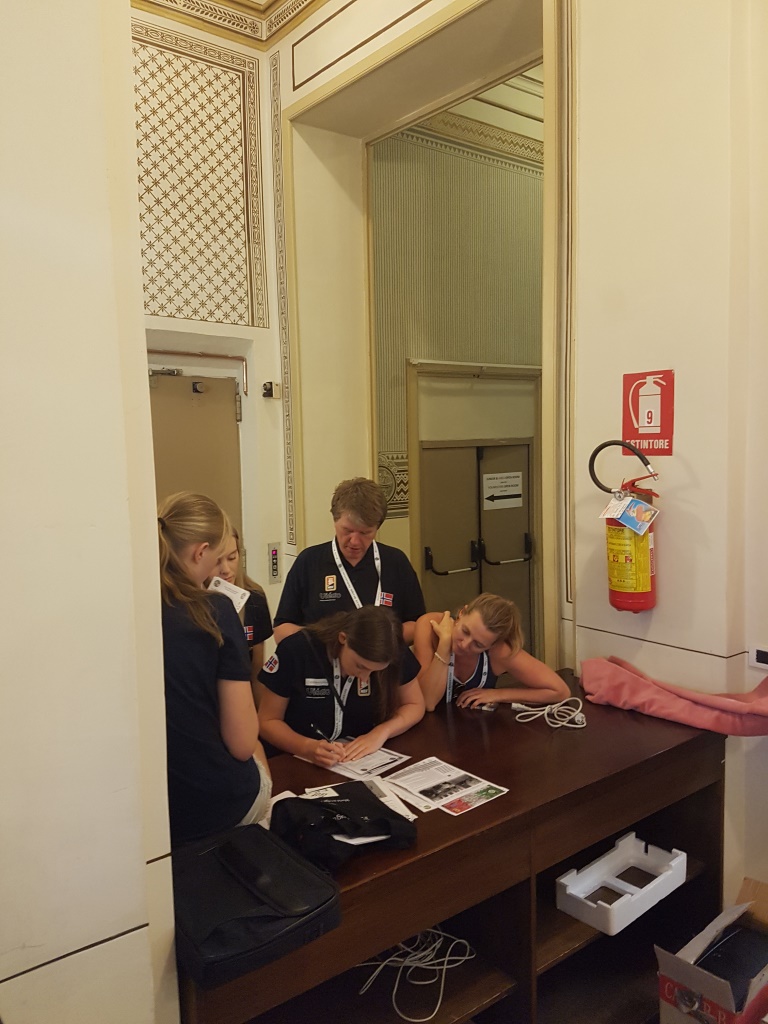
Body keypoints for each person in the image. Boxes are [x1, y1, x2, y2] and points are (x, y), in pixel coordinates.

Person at [158, 491, 271, 846]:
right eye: (219, 557)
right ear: (200, 552)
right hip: (216, 805)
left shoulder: (133, 607)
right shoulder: (217, 611)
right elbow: (242, 744)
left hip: (158, 811)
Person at [257, 605, 425, 768]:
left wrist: (382, 732)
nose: (365, 678)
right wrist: (306, 747)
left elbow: (414, 704)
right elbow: (267, 721)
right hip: (293, 760)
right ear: (343, 639)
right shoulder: (297, 650)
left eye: (375, 671)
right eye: (360, 666)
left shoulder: (393, 648)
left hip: (352, 761)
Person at [272, 477, 425, 645]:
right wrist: (329, 638)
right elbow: (281, 630)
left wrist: (377, 639)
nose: (355, 542)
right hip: (323, 660)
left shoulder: (395, 562)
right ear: (335, 520)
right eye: (347, 530)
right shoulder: (308, 562)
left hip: (384, 661)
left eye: (365, 533)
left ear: (377, 527)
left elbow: (418, 626)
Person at [413, 592, 570, 712]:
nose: (465, 645)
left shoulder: (499, 651)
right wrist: (444, 645)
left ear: (493, 645)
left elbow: (560, 691)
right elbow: (427, 702)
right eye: (465, 631)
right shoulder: (430, 625)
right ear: (462, 613)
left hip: (472, 730)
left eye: (478, 644)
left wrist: (499, 694)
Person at [214, 525, 272, 685]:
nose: (226, 570)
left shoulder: (255, 598)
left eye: (232, 558)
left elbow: (256, 670)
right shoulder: (189, 604)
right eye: (216, 561)